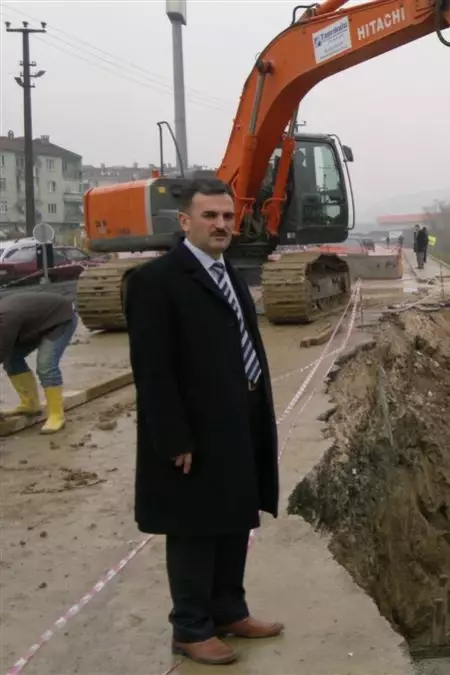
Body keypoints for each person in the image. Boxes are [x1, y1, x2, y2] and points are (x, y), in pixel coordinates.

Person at [124, 178, 283, 666]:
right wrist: (173, 436)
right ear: (185, 221)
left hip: (240, 417)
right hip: (194, 429)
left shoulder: (227, 272)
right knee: (194, 527)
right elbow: (153, 370)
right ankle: (190, 628)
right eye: (210, 216)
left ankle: (228, 610)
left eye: (228, 217)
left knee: (235, 516)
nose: (221, 225)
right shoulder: (156, 282)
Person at [0, 291, 78, 434]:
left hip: (60, 319)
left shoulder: (5, 320)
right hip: (34, 323)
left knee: (46, 365)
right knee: (12, 360)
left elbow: (2, 350)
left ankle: (56, 415)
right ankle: (30, 404)